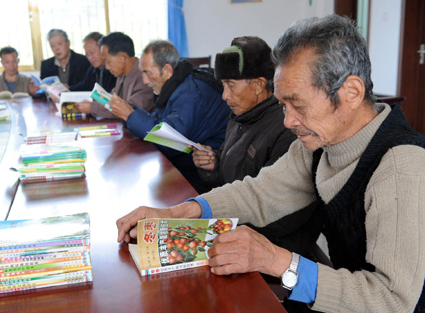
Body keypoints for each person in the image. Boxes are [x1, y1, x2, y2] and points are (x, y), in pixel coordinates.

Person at [116, 14, 425, 313]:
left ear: (352, 92)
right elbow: (260, 192)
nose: (288, 120)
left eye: (298, 105)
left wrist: (277, 261)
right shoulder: (320, 143)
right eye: (282, 105)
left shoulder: (400, 166)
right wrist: (175, 213)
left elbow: (392, 301)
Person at [192, 36, 320, 256]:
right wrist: (213, 165)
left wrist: (221, 228)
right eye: (223, 86)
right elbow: (230, 176)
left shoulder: (287, 128)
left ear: (259, 84)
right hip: (237, 224)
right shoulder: (238, 117)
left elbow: (279, 213)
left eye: (231, 86)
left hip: (274, 245)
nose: (224, 96)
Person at [109, 40, 231, 194]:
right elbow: (159, 122)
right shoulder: (175, 86)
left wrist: (130, 115)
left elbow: (170, 140)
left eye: (147, 73)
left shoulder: (190, 95)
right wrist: (129, 113)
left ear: (166, 70)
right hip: (187, 165)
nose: (145, 81)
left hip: (206, 175)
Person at [74, 32, 154, 118]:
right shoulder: (122, 74)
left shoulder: (145, 77)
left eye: (108, 62)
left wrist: (92, 107)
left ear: (122, 57)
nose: (107, 67)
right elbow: (111, 100)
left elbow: (127, 111)